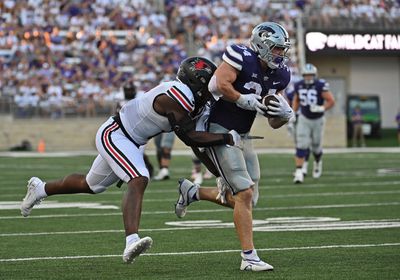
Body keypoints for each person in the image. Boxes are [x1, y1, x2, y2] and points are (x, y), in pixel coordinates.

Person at [20, 56, 243, 264]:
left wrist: (218, 174)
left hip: (132, 141)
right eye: (207, 84)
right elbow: (188, 137)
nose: (211, 90)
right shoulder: (177, 94)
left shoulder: (196, 102)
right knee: (139, 178)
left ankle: (40, 189)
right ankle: (131, 241)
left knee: (91, 185)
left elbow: (197, 144)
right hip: (116, 133)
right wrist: (226, 138)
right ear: (196, 83)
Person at [174, 22, 294, 271]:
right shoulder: (241, 56)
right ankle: (249, 258)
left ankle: (193, 193)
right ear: (261, 45)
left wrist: (283, 114)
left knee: (249, 198)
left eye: (283, 50)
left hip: (242, 134)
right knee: (245, 192)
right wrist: (243, 99)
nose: (280, 54)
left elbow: (273, 123)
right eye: (276, 49)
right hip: (217, 129)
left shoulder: (281, 75)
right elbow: (217, 85)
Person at [292, 63, 335, 184]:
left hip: (318, 119)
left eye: (310, 75)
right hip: (304, 118)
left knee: (316, 145)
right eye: (306, 75)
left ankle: (317, 162)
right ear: (303, 75)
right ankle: (299, 172)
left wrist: (322, 108)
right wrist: (293, 113)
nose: (308, 77)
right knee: (302, 144)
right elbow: (296, 100)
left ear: (314, 75)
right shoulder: (298, 85)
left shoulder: (320, 85)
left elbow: (331, 101)